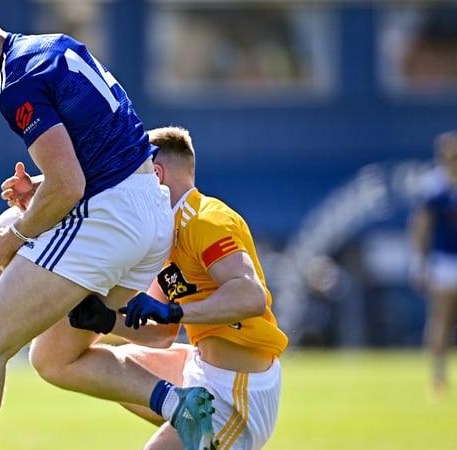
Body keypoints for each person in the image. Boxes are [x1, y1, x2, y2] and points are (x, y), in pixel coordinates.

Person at [0, 2, 215, 450]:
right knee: (53, 357)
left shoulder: (16, 82)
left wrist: (15, 236)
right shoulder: (51, 46)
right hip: (149, 209)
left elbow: (68, 186)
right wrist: (40, 184)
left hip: (109, 219)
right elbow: (101, 149)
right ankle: (178, 405)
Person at [41, 125, 288, 449]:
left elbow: (251, 295)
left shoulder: (204, 220)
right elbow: (161, 334)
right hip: (200, 367)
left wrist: (174, 311)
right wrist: (105, 320)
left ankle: (192, 414)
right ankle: (178, 404)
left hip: (237, 391)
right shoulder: (166, 233)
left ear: (155, 175)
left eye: (130, 174)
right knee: (68, 361)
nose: (121, 186)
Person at [408, 130, 457, 397]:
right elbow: (421, 226)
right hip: (445, 261)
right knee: (442, 319)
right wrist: (420, 260)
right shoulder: (434, 189)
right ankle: (438, 375)